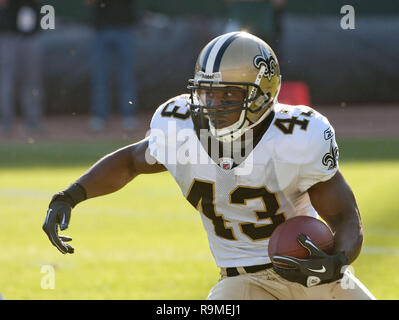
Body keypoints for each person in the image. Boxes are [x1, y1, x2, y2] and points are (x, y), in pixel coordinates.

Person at [42, 31, 375, 300]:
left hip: (309, 269)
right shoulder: (179, 129)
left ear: (263, 94)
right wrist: (69, 195)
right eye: (208, 94)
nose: (214, 105)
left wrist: (336, 262)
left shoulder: (297, 136)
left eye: (228, 95)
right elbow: (130, 161)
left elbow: (344, 215)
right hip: (242, 283)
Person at [86, 0, 138, 131]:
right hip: (101, 28)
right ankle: (99, 116)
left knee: (127, 76)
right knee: (100, 76)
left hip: (124, 27)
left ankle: (128, 116)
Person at [0, 0, 43, 133]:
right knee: (6, 81)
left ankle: (33, 122)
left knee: (32, 82)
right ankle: (6, 123)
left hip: (30, 35)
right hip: (8, 34)